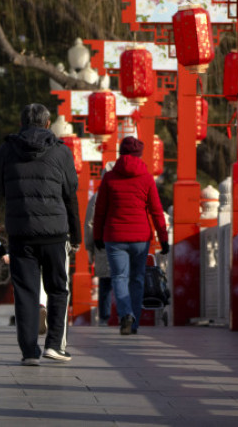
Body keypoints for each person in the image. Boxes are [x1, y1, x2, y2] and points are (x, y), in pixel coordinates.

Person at [0, 103, 80, 366]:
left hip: (21, 232)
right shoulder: (60, 151)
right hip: (55, 232)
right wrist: (75, 234)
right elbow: (70, 193)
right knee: (58, 289)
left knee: (26, 292)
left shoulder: (6, 150)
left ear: (21, 122)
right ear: (47, 123)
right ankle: (54, 345)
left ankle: (29, 351)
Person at [92, 137, 168, 335]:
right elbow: (157, 211)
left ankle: (126, 314)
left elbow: (100, 211)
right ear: (139, 154)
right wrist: (164, 238)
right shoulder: (146, 178)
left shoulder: (109, 178)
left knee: (119, 277)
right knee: (137, 279)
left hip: (114, 236)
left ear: (120, 153)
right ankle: (134, 323)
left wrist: (97, 236)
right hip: (140, 238)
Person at [84, 175, 113, 326]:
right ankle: (126, 314)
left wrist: (89, 247)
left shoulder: (97, 197)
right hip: (126, 242)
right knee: (124, 279)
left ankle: (104, 318)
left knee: (105, 282)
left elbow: (90, 223)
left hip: (103, 243)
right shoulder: (127, 191)